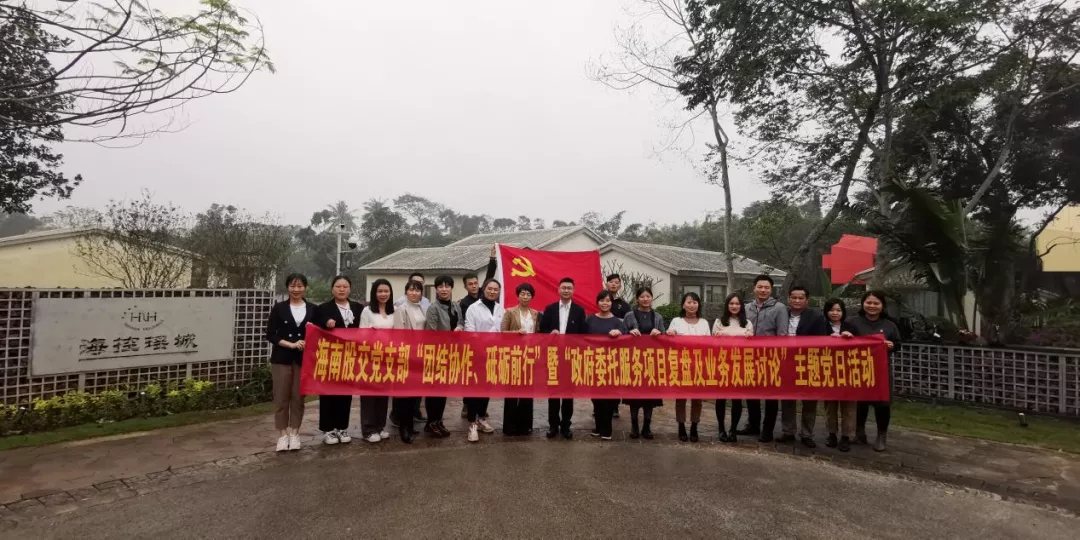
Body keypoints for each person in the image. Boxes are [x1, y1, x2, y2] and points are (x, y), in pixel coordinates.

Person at [266, 273, 317, 452]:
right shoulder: (279, 308)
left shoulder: (313, 309)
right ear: (287, 287)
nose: (296, 290)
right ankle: (282, 435)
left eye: (300, 286)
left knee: (298, 397)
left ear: (305, 288)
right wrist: (291, 344)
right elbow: (270, 334)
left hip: (302, 360)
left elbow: (319, 333)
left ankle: (295, 433)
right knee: (281, 397)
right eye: (293, 286)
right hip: (281, 358)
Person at [847, 291, 902, 452]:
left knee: (882, 404)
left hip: (881, 370)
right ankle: (859, 432)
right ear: (863, 304)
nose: (872, 306)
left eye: (876, 303)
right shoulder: (852, 322)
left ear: (882, 306)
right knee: (860, 402)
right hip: (859, 368)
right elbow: (844, 343)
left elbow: (898, 344)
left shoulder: (890, 325)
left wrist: (892, 345)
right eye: (868, 302)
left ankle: (881, 436)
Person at [313, 275, 364, 446]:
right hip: (330, 357)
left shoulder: (357, 308)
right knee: (328, 393)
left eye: (345, 286)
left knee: (345, 393)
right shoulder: (323, 308)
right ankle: (328, 429)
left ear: (350, 289)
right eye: (338, 286)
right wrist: (325, 323)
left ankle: (342, 427)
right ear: (332, 289)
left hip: (350, 357)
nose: (342, 289)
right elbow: (315, 326)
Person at [780, 285, 830, 448]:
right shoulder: (782, 313)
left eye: (801, 298)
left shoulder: (816, 317)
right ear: (788, 299)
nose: (797, 301)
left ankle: (807, 434)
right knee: (787, 398)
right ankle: (788, 431)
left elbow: (821, 341)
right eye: (794, 297)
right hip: (786, 362)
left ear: (807, 300)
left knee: (809, 400)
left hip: (809, 362)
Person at [741, 275, 789, 442]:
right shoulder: (746, 308)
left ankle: (767, 429)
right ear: (754, 288)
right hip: (749, 357)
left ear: (771, 289)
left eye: (766, 288)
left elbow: (782, 334)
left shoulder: (779, 308)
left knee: (770, 395)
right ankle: (753, 424)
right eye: (760, 287)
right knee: (751, 393)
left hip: (771, 358)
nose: (763, 290)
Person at [539, 277, 588, 439]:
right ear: (558, 289)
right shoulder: (550, 309)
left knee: (568, 394)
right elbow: (542, 330)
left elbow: (583, 335)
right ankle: (553, 426)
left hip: (570, 357)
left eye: (569, 288)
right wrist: (550, 333)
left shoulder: (579, 311)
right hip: (553, 356)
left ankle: (566, 426)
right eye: (564, 288)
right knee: (553, 393)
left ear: (573, 290)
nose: (566, 290)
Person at [458, 245, 498, 419]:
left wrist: (492, 258)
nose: (474, 286)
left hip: (490, 347)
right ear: (465, 286)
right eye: (470, 284)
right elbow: (464, 324)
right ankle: (468, 405)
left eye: (476, 283)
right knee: (470, 378)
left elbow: (490, 276)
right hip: (472, 347)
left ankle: (481, 408)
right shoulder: (465, 303)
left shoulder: (487, 295)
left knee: (486, 378)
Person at [664, 292, 711, 442]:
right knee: (681, 398)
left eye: (695, 302)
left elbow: (709, 344)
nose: (692, 305)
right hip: (681, 365)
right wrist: (670, 333)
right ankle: (681, 425)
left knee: (697, 399)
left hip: (699, 365)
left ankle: (694, 426)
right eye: (689, 302)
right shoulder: (676, 321)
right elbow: (669, 342)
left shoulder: (704, 323)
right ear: (683, 305)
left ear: (699, 305)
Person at [421, 275, 463, 438]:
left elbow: (461, 322)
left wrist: (459, 328)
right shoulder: (433, 308)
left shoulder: (455, 306)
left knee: (443, 390)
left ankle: (438, 420)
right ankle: (431, 422)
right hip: (436, 354)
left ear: (451, 288)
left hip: (451, 353)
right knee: (434, 390)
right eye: (440, 286)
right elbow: (431, 333)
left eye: (447, 286)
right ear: (436, 289)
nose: (444, 289)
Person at [464, 279, 505, 442]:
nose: (492, 292)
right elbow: (469, 331)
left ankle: (481, 418)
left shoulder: (500, 308)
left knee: (487, 388)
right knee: (474, 390)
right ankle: (472, 424)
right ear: (484, 289)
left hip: (494, 355)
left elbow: (503, 331)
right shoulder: (473, 308)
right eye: (490, 288)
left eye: (496, 289)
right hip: (477, 354)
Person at [623, 286, 666, 438]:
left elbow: (664, 337)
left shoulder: (658, 316)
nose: (645, 299)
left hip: (652, 362)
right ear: (637, 299)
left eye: (648, 296)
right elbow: (622, 335)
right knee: (634, 396)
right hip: (634, 361)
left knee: (650, 396)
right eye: (642, 296)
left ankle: (647, 426)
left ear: (652, 298)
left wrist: (659, 333)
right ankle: (634, 426)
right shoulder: (629, 315)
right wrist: (629, 333)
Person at [712, 293, 753, 443]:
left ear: (741, 306)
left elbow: (751, 346)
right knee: (721, 398)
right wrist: (716, 337)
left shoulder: (747, 323)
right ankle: (721, 429)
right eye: (731, 303)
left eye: (737, 304)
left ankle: (733, 430)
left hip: (740, 365)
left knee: (737, 399)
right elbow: (712, 345)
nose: (734, 306)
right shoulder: (719, 322)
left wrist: (750, 338)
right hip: (722, 364)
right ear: (727, 305)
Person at [500, 282, 541, 436]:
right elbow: (502, 333)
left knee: (527, 392)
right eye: (522, 293)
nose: (525, 296)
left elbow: (538, 333)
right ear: (518, 296)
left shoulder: (536, 313)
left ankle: (525, 426)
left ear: (532, 297)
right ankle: (509, 426)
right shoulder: (510, 312)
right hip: (513, 355)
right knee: (511, 392)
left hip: (529, 356)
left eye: (528, 294)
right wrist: (516, 332)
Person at [586, 290, 627, 441]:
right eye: (602, 300)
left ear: (612, 303)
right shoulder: (590, 320)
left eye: (608, 301)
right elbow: (581, 338)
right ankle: (598, 426)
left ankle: (607, 428)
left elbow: (626, 340)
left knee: (609, 397)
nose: (605, 303)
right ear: (597, 302)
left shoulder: (618, 322)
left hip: (611, 364)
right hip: (593, 362)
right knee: (595, 396)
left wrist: (620, 333)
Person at [358, 279, 394, 443]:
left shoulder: (394, 311)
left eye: (386, 291)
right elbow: (362, 334)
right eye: (380, 291)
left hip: (388, 358)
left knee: (383, 393)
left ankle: (380, 426)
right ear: (374, 293)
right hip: (371, 358)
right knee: (369, 394)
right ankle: (368, 429)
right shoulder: (367, 311)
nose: (383, 294)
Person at [391, 280, 427, 444]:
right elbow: (400, 335)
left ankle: (411, 425)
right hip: (407, 355)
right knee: (404, 395)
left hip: (421, 354)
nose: (414, 293)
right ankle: (403, 428)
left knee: (415, 394)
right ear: (406, 292)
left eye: (417, 290)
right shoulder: (401, 309)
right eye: (411, 290)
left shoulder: (422, 308)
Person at [822, 298, 856, 452]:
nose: (835, 313)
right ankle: (832, 434)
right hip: (827, 369)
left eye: (838, 310)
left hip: (848, 370)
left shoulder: (851, 326)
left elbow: (861, 344)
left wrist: (850, 338)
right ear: (826, 311)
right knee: (830, 404)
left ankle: (846, 436)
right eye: (832, 310)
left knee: (849, 405)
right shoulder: (821, 326)